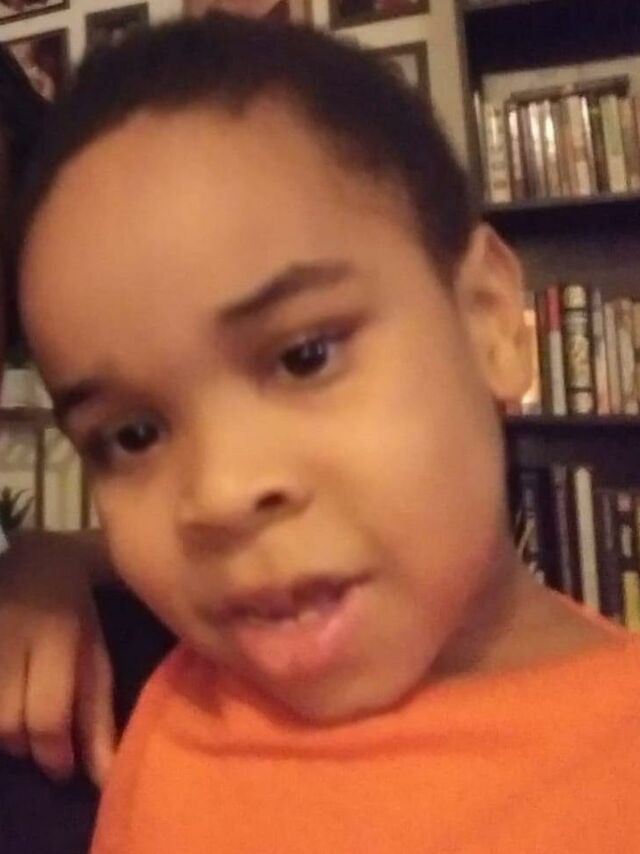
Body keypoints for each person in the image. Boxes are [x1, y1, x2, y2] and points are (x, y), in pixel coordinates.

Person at [10, 12, 640, 853]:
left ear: (490, 320)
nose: (219, 495)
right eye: (131, 436)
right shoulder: (149, 699)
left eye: (305, 357)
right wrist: (40, 567)